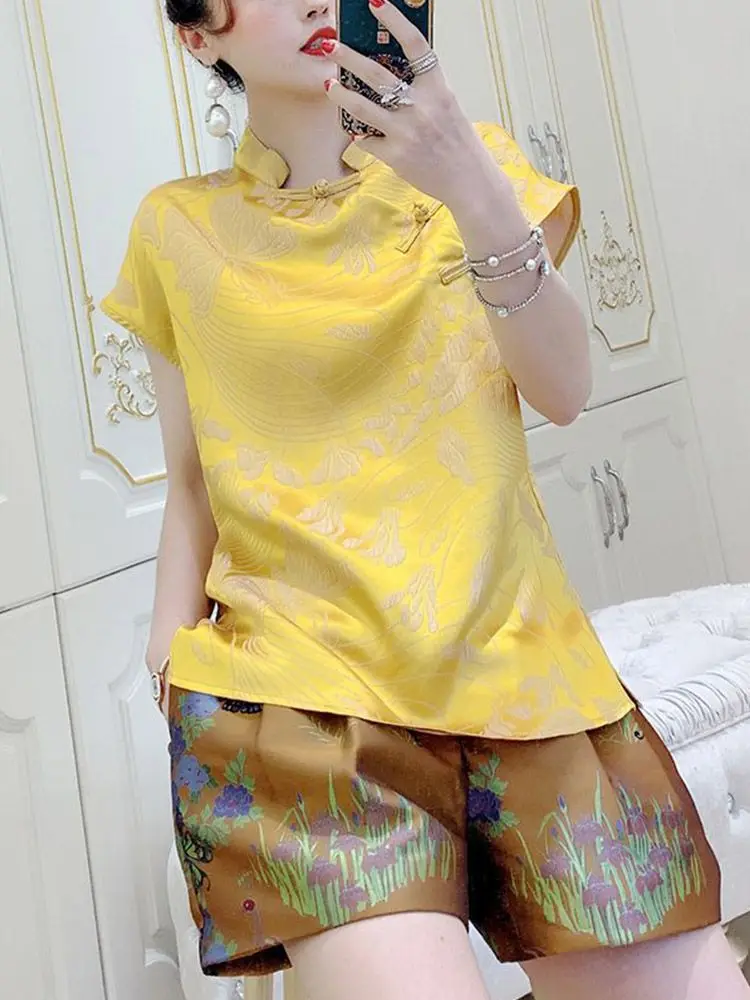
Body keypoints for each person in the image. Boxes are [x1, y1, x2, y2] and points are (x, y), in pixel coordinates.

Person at [102, 2, 748, 998]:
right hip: (307, 703)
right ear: (200, 35)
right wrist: (167, 659)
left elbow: (565, 390)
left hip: (528, 677)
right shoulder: (175, 229)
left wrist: (471, 189)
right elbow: (192, 479)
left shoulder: (472, 170)